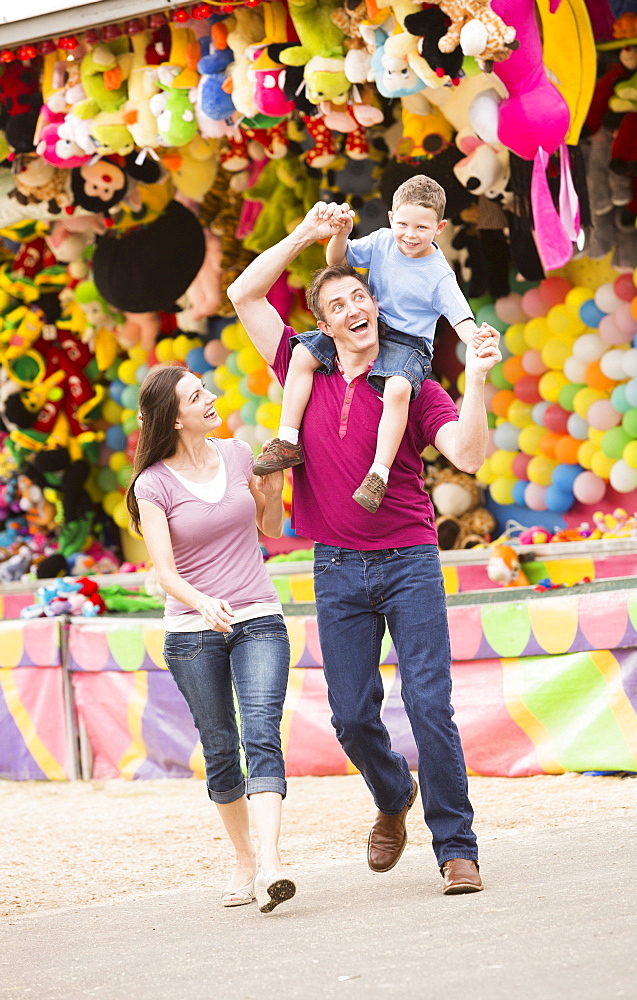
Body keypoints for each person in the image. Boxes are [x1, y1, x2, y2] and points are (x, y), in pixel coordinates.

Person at [228, 202, 502, 896]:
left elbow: (470, 453)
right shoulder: (302, 364)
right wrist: (308, 236)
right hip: (336, 565)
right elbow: (243, 294)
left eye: (361, 296)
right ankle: (391, 795)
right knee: (351, 714)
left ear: (374, 307)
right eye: (339, 302)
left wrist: (480, 374)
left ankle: (456, 847)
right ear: (323, 325)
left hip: (409, 559)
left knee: (429, 705)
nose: (355, 307)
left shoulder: (415, 384)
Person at [125, 363, 295, 914]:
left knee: (262, 732)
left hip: (258, 616)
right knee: (222, 747)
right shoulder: (153, 484)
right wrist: (203, 602)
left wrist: (273, 494)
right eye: (198, 395)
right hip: (194, 631)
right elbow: (165, 573)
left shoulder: (240, 453)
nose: (212, 397)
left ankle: (271, 864)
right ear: (175, 418)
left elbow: (269, 529)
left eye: (206, 390)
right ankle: (244, 859)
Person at [252, 176, 489, 514]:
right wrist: (341, 233)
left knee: (396, 391)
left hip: (409, 344)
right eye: (403, 224)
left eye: (422, 227)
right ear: (391, 218)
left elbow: (460, 319)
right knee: (302, 353)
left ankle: (378, 474)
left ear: (440, 228)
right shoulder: (382, 241)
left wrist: (476, 340)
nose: (410, 234)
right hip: (373, 323)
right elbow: (338, 261)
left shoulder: (439, 275)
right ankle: (288, 440)